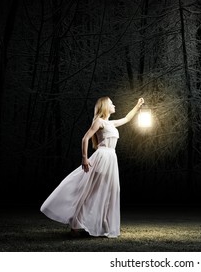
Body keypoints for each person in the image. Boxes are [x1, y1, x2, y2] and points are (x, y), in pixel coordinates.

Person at [40, 96, 144, 238]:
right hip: (102, 157)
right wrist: (84, 158)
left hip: (111, 158)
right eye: (111, 103)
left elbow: (126, 118)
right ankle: (76, 223)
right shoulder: (99, 121)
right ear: (105, 106)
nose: (114, 105)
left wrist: (137, 106)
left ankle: (103, 224)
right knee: (93, 190)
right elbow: (85, 138)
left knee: (111, 190)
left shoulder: (111, 123)